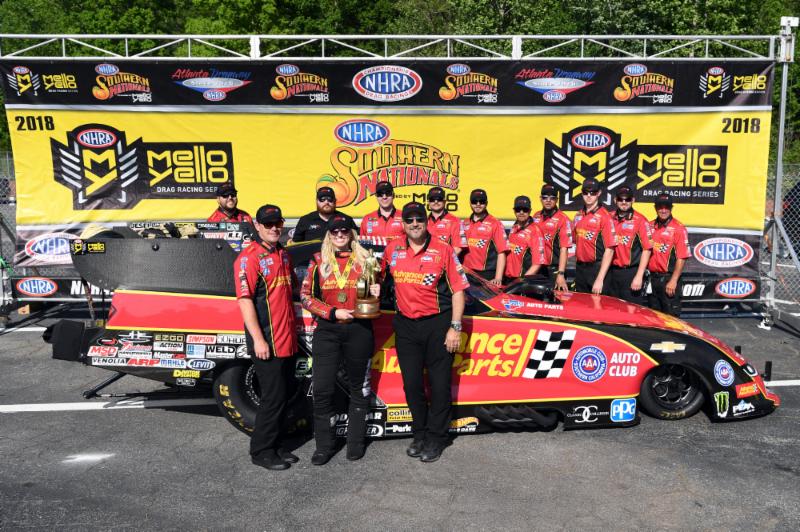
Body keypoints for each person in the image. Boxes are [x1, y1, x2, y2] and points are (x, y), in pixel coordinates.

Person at [382, 202, 469, 463]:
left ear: (426, 221)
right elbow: (379, 279)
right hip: (406, 325)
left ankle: (436, 438)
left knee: (439, 386)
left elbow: (458, 291)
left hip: (437, 325)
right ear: (403, 224)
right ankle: (419, 434)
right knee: (412, 385)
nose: (415, 224)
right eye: (409, 220)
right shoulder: (393, 249)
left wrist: (455, 327)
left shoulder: (443, 249)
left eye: (419, 219)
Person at [300, 215, 381, 465]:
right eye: (334, 232)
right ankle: (324, 446)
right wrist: (333, 312)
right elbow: (305, 296)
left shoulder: (367, 260)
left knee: (359, 389)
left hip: (359, 328)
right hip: (328, 330)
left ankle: (355, 443)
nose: (339, 235)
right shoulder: (318, 261)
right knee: (322, 389)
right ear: (328, 235)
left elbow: (379, 292)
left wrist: (378, 290)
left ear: (351, 234)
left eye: (344, 231)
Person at [235, 204, 297, 471]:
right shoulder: (249, 258)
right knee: (272, 398)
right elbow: (245, 301)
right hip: (267, 342)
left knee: (284, 396)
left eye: (277, 223)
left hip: (287, 339)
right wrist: (259, 340)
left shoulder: (283, 253)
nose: (274, 228)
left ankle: (276, 444)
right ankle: (261, 451)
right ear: (257, 226)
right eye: (268, 224)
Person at [647, 193, 691, 316]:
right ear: (655, 208)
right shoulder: (649, 225)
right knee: (653, 317)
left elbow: (682, 257)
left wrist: (673, 280)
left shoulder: (679, 228)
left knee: (671, 318)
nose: (663, 210)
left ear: (671, 208)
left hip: (668, 279)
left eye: (666, 207)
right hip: (652, 279)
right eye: (660, 207)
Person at [572, 178, 616, 294]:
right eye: (586, 192)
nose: (589, 196)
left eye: (593, 192)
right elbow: (575, 242)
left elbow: (610, 249)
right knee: (581, 303)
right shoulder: (578, 215)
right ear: (581, 193)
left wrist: (600, 279)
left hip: (597, 269)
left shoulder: (605, 217)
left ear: (599, 193)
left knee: (597, 304)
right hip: (580, 268)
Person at [609, 186, 652, 303]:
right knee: (610, 309)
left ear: (633, 200)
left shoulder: (641, 220)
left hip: (630, 273)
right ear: (615, 200)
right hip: (610, 272)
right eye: (620, 199)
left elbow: (647, 249)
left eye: (627, 199)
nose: (624, 202)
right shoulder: (608, 217)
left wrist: (639, 276)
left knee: (631, 310)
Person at [461, 189, 508, 284]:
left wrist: (498, 278)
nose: (478, 204)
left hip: (487, 274)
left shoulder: (495, 223)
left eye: (481, 201)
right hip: (467, 272)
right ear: (470, 203)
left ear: (486, 203)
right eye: (474, 201)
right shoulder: (464, 223)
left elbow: (502, 252)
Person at [532, 184, 572, 291]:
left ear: (557, 200)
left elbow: (564, 249)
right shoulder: (536, 216)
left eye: (552, 197)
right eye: (545, 197)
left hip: (554, 269)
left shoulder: (563, 219)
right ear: (540, 199)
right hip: (537, 268)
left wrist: (561, 274)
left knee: (554, 300)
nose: (548, 200)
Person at [290, 186, 357, 243]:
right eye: (322, 199)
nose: (326, 202)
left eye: (330, 199)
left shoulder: (347, 220)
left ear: (335, 201)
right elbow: (296, 244)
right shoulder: (305, 220)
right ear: (317, 201)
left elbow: (356, 242)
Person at [504, 195, 545, 284]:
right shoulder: (514, 226)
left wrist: (522, 281)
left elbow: (538, 263)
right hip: (509, 279)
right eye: (518, 210)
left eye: (525, 210)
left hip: (524, 281)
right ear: (514, 211)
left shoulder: (535, 231)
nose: (521, 212)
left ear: (530, 211)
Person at [426, 186, 466, 253]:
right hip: (425, 259)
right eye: (432, 199)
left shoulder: (455, 221)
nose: (436, 201)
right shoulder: (423, 221)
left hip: (446, 259)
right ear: (428, 202)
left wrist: (443, 259)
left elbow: (457, 248)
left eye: (439, 199)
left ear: (444, 201)